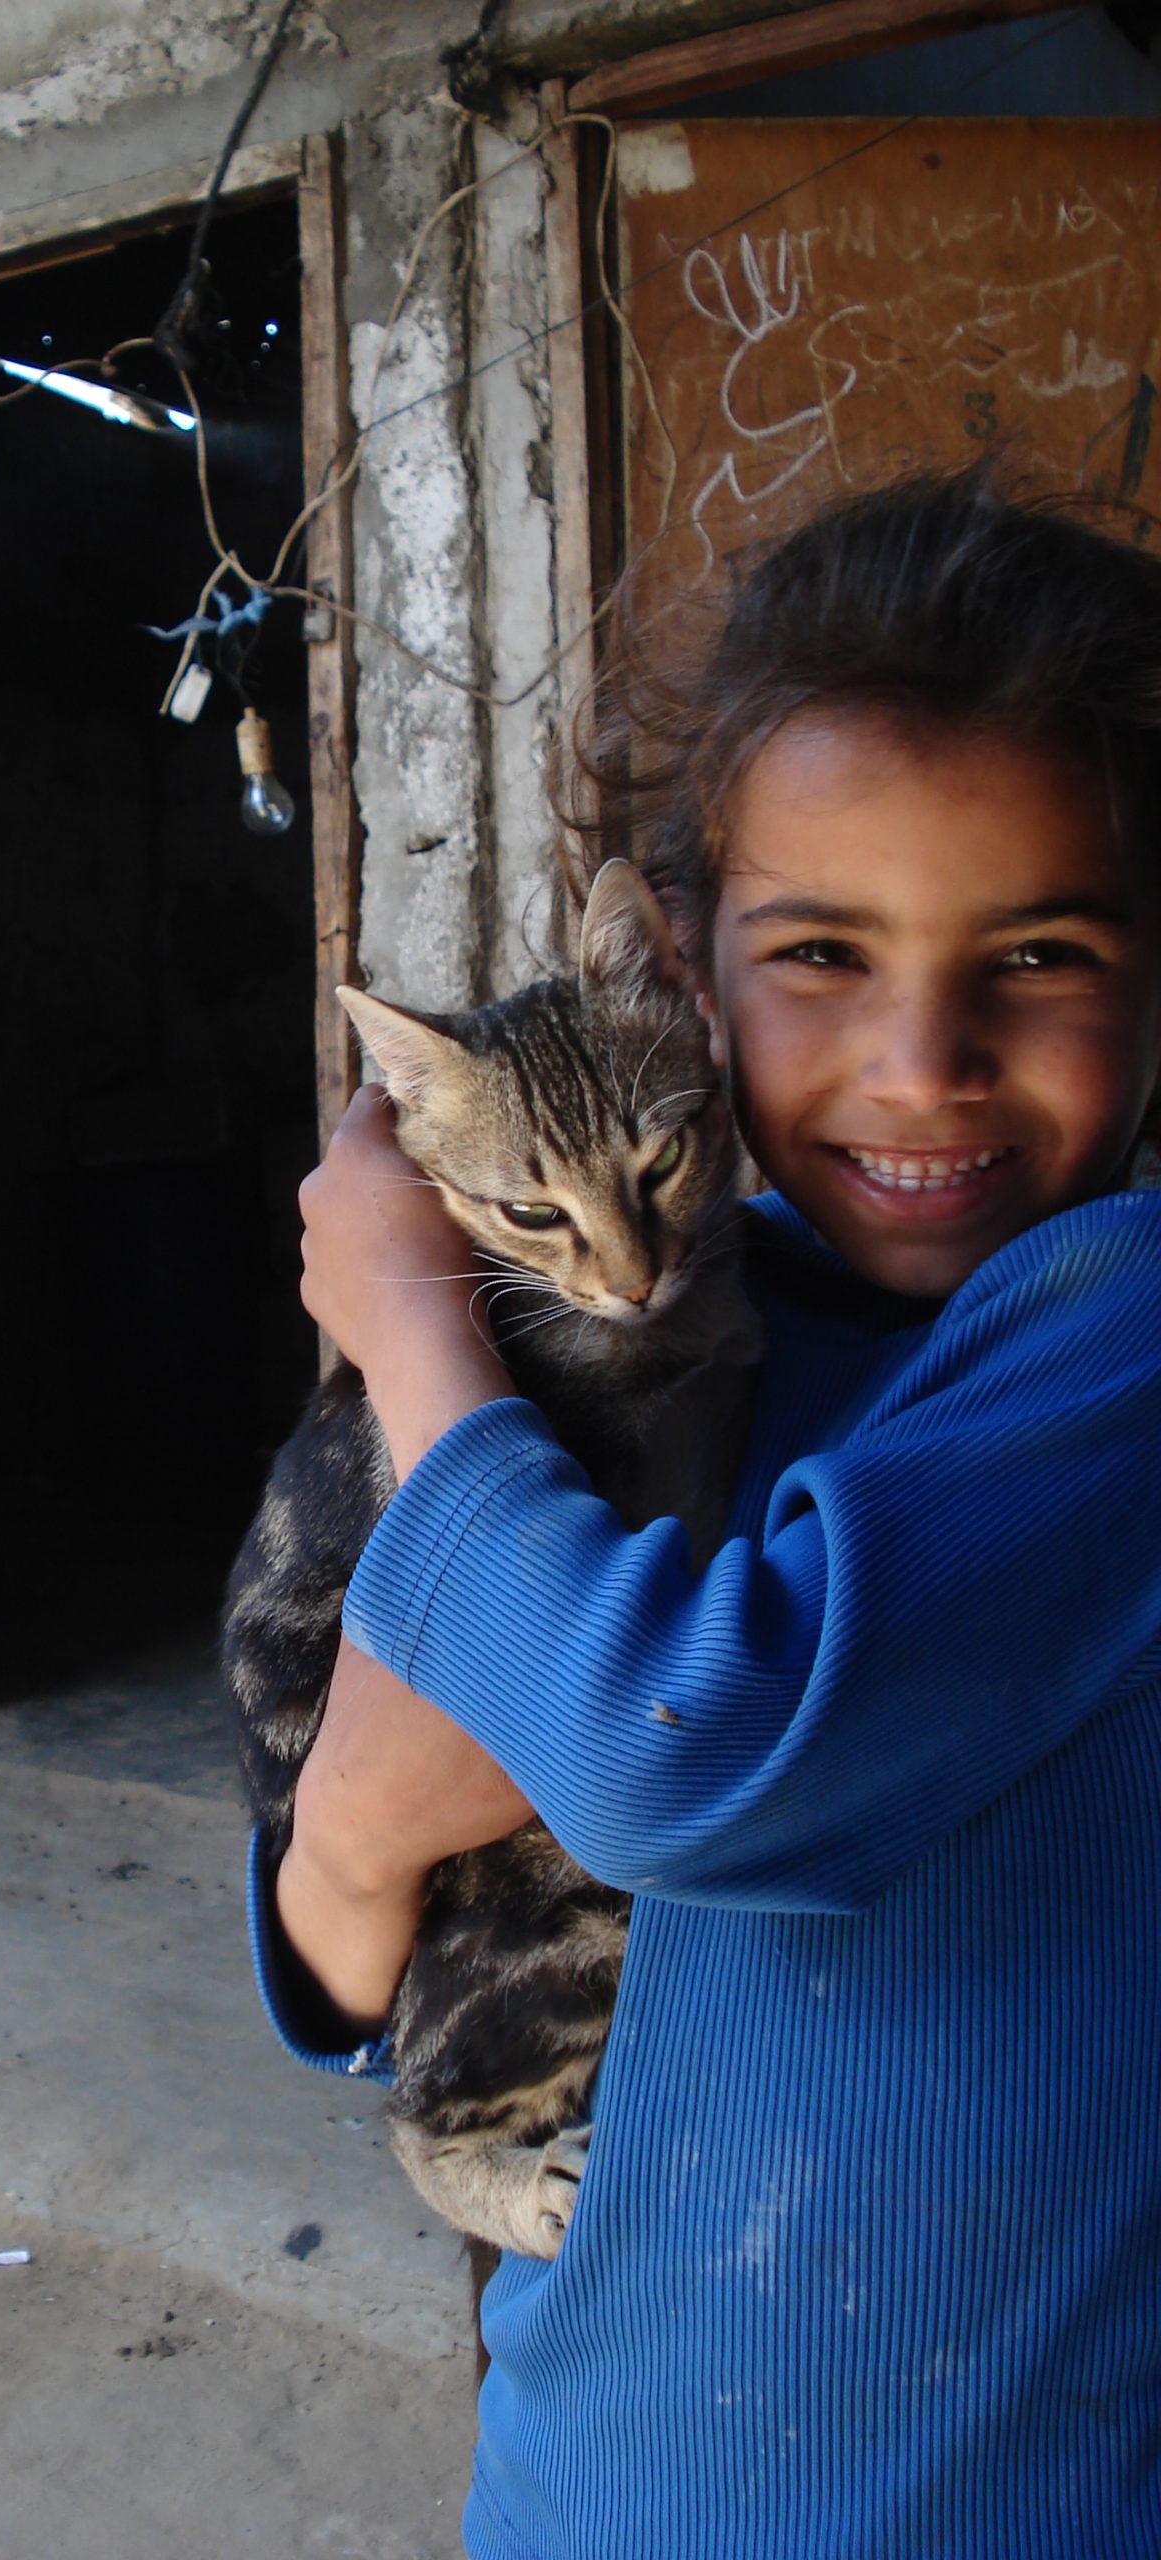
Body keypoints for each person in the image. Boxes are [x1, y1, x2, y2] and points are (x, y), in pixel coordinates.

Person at [250, 470, 1161, 2559]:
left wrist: (404, 1314)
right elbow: (341, 1948)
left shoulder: (1116, 1348)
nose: (922, 1062)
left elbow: (688, 1747)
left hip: (995, 2494)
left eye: (1040, 950)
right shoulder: (684, 1349)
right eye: (822, 952)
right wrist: (362, 1829)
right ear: (682, 971)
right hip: (589, 2471)